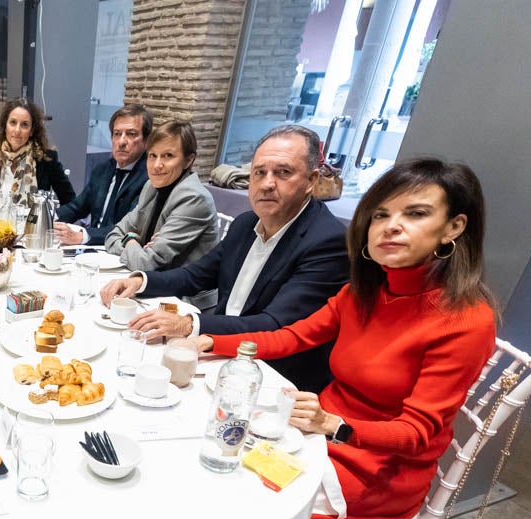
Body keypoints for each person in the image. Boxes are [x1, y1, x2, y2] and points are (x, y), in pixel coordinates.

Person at [194, 157, 497, 519]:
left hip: (374, 472)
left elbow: (416, 434)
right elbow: (293, 336)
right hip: (316, 437)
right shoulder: (366, 291)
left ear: (454, 227)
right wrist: (209, 339)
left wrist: (334, 424)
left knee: (227, 499)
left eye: (415, 214)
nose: (392, 227)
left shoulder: (465, 320)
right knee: (208, 451)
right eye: (381, 215)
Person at [100, 124, 349, 392]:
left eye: (283, 173)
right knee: (125, 365)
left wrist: (189, 324)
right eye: (259, 172)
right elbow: (197, 275)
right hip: (218, 350)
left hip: (272, 377)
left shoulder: (327, 241)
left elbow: (275, 324)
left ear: (311, 181)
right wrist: (141, 281)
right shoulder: (246, 223)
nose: (267, 184)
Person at [102, 120, 217, 298]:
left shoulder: (194, 198)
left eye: (168, 156)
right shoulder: (152, 187)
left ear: (188, 160)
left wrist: (130, 241)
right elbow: (112, 235)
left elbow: (145, 263)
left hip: (185, 300)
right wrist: (134, 243)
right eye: (152, 156)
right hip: (151, 285)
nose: (156, 165)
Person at [55, 103, 151, 246]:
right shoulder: (103, 169)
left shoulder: (149, 178)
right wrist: (47, 218)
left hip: (120, 252)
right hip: (91, 251)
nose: (121, 142)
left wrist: (83, 236)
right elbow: (77, 207)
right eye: (117, 134)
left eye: (131, 134)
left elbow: (130, 227)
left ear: (146, 140)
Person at [0, 97, 74, 205]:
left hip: (31, 222)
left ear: (31, 131)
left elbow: (70, 202)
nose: (17, 130)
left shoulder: (46, 159)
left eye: (24, 125)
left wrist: (53, 220)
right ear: (5, 126)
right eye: (13, 123)